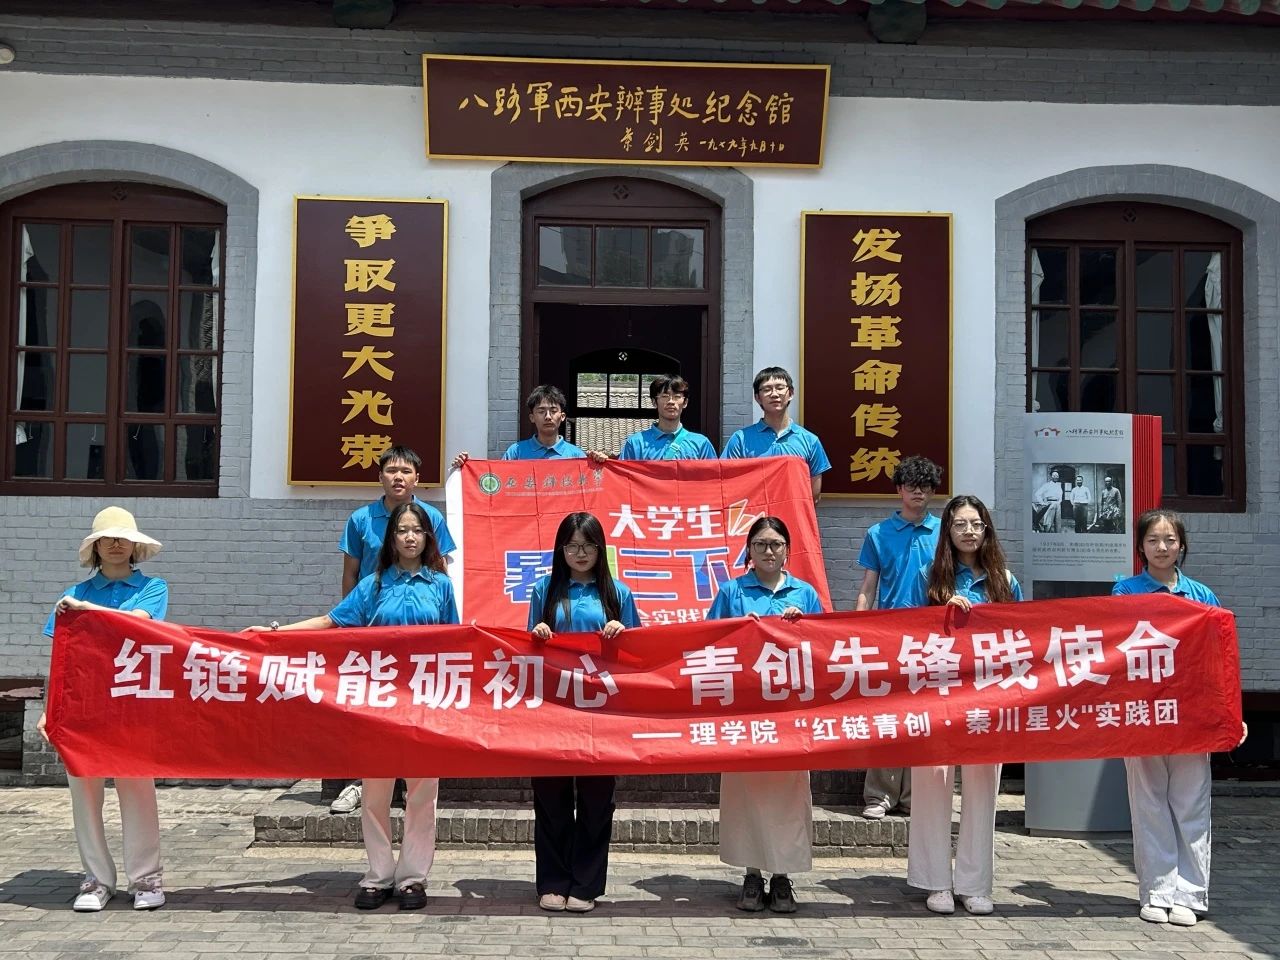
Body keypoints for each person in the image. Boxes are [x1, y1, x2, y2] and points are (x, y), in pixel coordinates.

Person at [250, 502, 458, 911]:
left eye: (417, 531)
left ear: (428, 538)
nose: (410, 537)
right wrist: (276, 633)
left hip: (423, 704)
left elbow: (456, 642)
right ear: (391, 538)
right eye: (402, 530)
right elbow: (331, 622)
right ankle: (378, 875)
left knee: (421, 795)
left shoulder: (441, 586)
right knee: (375, 792)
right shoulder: (373, 585)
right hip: (377, 704)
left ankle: (413, 878)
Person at [1112, 508, 1245, 928]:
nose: (1162, 547)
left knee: (1191, 803)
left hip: (1192, 713)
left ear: (1182, 545)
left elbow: (1222, 659)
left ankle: (1190, 894)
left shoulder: (1202, 595)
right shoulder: (1124, 592)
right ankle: (1156, 891)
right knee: (1148, 802)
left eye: (1170, 539)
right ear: (1140, 546)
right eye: (1153, 540)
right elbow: (1113, 652)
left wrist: (1231, 712)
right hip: (1143, 712)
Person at [38, 506, 169, 912]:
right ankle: (96, 880)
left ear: (134, 545)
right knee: (85, 793)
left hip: (132, 704)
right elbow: (60, 659)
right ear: (94, 547)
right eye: (106, 538)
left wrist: (85, 611)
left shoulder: (153, 587)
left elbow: (136, 624)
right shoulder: (74, 594)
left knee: (138, 791)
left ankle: (146, 879)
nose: (115, 544)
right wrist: (49, 709)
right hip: (83, 708)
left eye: (123, 537)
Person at [909, 495, 1023, 917]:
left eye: (976, 524)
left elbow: (1022, 638)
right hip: (937, 699)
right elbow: (905, 634)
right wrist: (942, 614)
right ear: (948, 531)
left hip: (987, 701)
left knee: (982, 789)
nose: (969, 532)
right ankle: (935, 881)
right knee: (932, 785)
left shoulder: (1004, 581)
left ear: (987, 529)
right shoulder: (928, 575)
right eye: (960, 524)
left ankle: (975, 884)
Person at [707, 516, 825, 914]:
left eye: (776, 544)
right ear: (749, 551)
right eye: (760, 544)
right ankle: (752, 875)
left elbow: (825, 647)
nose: (769, 551)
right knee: (746, 794)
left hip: (790, 712)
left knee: (788, 794)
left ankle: (782, 876)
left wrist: (802, 627)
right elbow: (709, 641)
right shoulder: (732, 591)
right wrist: (739, 629)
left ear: (787, 550)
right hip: (746, 710)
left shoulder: (805, 593)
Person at [526, 512, 640, 913]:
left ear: (600, 549)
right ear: (561, 550)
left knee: (595, 799)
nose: (580, 553)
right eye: (572, 546)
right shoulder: (545, 590)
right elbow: (528, 650)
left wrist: (622, 632)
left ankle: (586, 885)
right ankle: (553, 882)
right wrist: (538, 635)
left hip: (601, 711)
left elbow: (639, 652)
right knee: (551, 798)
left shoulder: (618, 593)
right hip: (554, 708)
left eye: (588, 545)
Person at [334, 444, 456, 815]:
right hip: (375, 631)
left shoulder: (431, 517)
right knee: (372, 718)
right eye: (391, 471)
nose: (398, 477)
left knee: (416, 718)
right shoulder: (360, 520)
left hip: (419, 639)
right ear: (380, 476)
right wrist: (350, 628)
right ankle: (360, 785)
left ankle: (412, 788)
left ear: (417, 478)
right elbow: (350, 575)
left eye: (405, 471)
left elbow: (441, 569)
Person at [854, 455, 944, 821]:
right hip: (889, 636)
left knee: (925, 718)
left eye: (925, 486)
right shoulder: (878, 534)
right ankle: (880, 795)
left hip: (935, 638)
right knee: (887, 717)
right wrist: (858, 631)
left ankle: (915, 796)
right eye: (911, 485)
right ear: (899, 490)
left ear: (933, 491)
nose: (918, 492)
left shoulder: (945, 532)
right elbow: (868, 587)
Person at [721, 366, 831, 503]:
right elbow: (727, 484)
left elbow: (814, 495)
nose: (774, 394)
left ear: (791, 393)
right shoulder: (740, 439)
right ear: (757, 398)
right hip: (754, 515)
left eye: (780, 388)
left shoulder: (810, 440)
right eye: (767, 389)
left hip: (793, 515)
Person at [618, 374, 717, 461]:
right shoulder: (636, 443)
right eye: (665, 396)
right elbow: (621, 475)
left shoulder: (700, 444)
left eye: (677, 396)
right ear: (654, 402)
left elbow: (714, 475)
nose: (671, 402)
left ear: (685, 402)